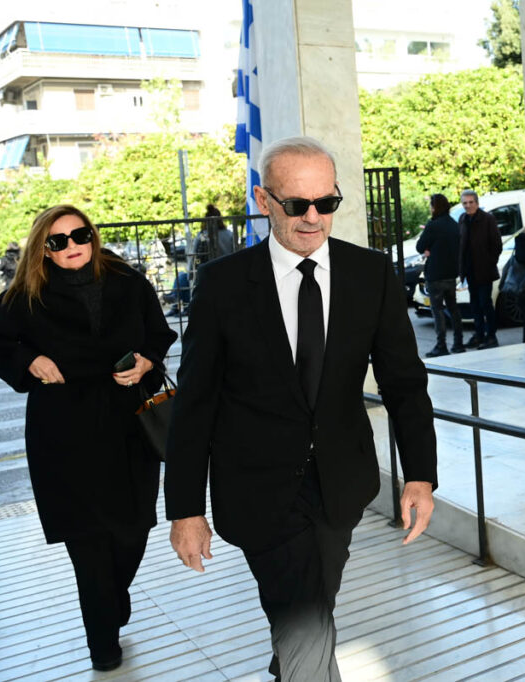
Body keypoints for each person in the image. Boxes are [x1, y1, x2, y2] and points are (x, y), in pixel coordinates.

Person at [164, 136, 438, 682]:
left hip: (341, 484)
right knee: (304, 613)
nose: (313, 218)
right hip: (257, 489)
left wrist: (420, 476)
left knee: (310, 606)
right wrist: (185, 510)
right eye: (296, 204)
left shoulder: (370, 274)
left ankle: (289, 662)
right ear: (264, 200)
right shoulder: (222, 285)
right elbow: (194, 405)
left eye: (326, 202)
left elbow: (405, 384)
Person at [0, 205, 177, 671]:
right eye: (57, 241)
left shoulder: (128, 281)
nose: (71, 246)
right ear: (44, 249)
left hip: (129, 427)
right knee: (87, 542)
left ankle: (113, 600)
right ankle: (103, 645)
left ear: (92, 236)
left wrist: (146, 362)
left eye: (79, 235)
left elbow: (158, 334)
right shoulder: (27, 293)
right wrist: (28, 360)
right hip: (64, 433)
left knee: (133, 533)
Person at [416, 193, 465, 357]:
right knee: (453, 308)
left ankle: (441, 345)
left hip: (435, 273)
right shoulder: (453, 224)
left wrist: (428, 249)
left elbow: (420, 246)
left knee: (437, 311)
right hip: (451, 273)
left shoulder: (433, 225)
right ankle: (458, 343)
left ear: (435, 207)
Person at [458, 190, 502, 349]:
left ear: (476, 203)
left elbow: (497, 245)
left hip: (484, 270)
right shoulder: (463, 219)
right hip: (469, 270)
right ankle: (479, 334)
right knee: (475, 305)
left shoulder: (487, 219)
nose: (468, 205)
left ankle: (491, 336)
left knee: (485, 303)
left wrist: (489, 262)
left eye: (471, 202)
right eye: (465, 203)